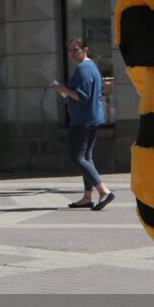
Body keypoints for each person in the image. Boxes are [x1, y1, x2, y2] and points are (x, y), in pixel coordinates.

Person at [51, 39, 115, 211]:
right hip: (93, 118)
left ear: (85, 49)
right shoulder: (93, 68)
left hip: (83, 120)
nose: (72, 53)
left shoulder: (83, 69)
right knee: (86, 157)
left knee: (77, 157)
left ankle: (104, 190)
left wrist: (62, 89)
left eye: (76, 50)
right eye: (70, 50)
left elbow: (83, 96)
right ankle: (88, 197)